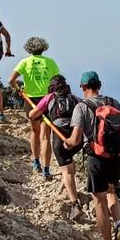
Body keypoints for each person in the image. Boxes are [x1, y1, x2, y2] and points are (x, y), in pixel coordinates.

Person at [63, 71, 120, 240]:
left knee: (99, 200)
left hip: (96, 157)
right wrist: (119, 149)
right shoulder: (113, 102)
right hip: (116, 157)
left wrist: (67, 143)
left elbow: (76, 139)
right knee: (112, 191)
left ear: (83, 87)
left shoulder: (81, 107)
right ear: (99, 85)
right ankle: (119, 224)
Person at [29, 74, 85, 212]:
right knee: (70, 163)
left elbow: (32, 115)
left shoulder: (50, 97)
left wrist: (42, 114)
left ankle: (74, 203)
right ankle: (72, 190)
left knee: (66, 171)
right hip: (77, 137)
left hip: (60, 139)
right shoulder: (76, 99)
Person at [9, 37, 61, 179]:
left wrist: (19, 90)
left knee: (34, 131)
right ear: (43, 48)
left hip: (31, 100)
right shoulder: (50, 62)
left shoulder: (25, 62)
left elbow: (11, 79)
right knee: (46, 136)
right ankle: (46, 170)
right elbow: (58, 81)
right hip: (48, 100)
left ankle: (36, 162)